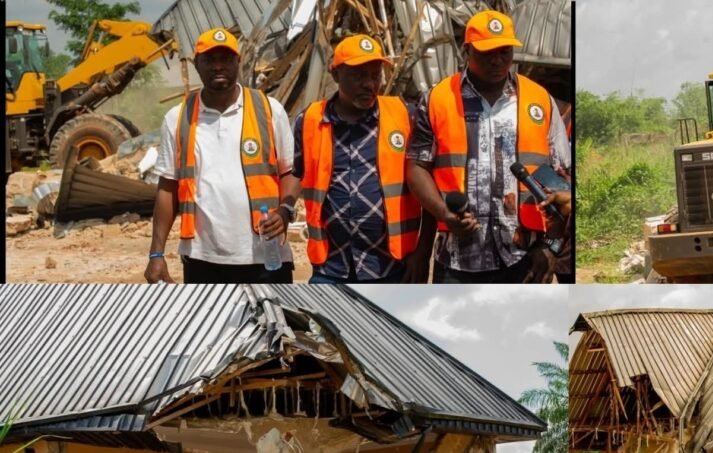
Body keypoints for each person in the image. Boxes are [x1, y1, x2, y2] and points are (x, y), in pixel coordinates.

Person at [406, 9, 573, 284]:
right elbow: (417, 167)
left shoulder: (539, 100)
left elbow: (562, 179)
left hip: (525, 258)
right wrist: (444, 214)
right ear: (467, 50)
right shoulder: (437, 100)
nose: (497, 61)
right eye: (487, 52)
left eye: (504, 52)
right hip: (457, 261)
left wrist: (552, 246)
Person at [269, 34, 429, 284]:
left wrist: (421, 252)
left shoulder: (404, 116)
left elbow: (428, 184)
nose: (369, 84)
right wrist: (286, 208)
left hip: (391, 266)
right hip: (331, 267)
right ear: (336, 75)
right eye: (358, 76)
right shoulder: (310, 121)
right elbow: (297, 174)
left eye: (375, 75)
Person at [145, 27, 294, 284]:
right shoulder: (177, 119)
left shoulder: (270, 111)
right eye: (210, 59)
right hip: (203, 259)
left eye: (225, 58)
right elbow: (167, 187)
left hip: (264, 255)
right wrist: (156, 252)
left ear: (238, 61)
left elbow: (289, 172)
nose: (218, 66)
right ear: (197, 64)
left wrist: (285, 211)